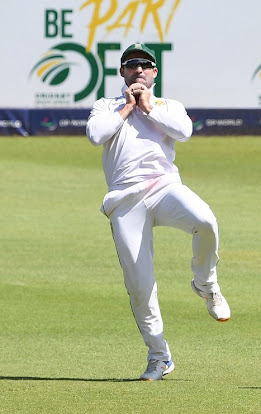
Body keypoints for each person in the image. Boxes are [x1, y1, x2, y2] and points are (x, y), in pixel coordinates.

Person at [86, 43, 231, 381]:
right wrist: (127, 107)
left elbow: (184, 132)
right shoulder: (106, 106)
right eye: (131, 65)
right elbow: (95, 135)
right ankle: (159, 356)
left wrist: (148, 106)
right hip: (125, 200)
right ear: (122, 72)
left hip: (164, 187)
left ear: (154, 73)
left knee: (206, 220)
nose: (138, 70)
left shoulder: (169, 105)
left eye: (145, 65)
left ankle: (206, 283)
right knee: (140, 283)